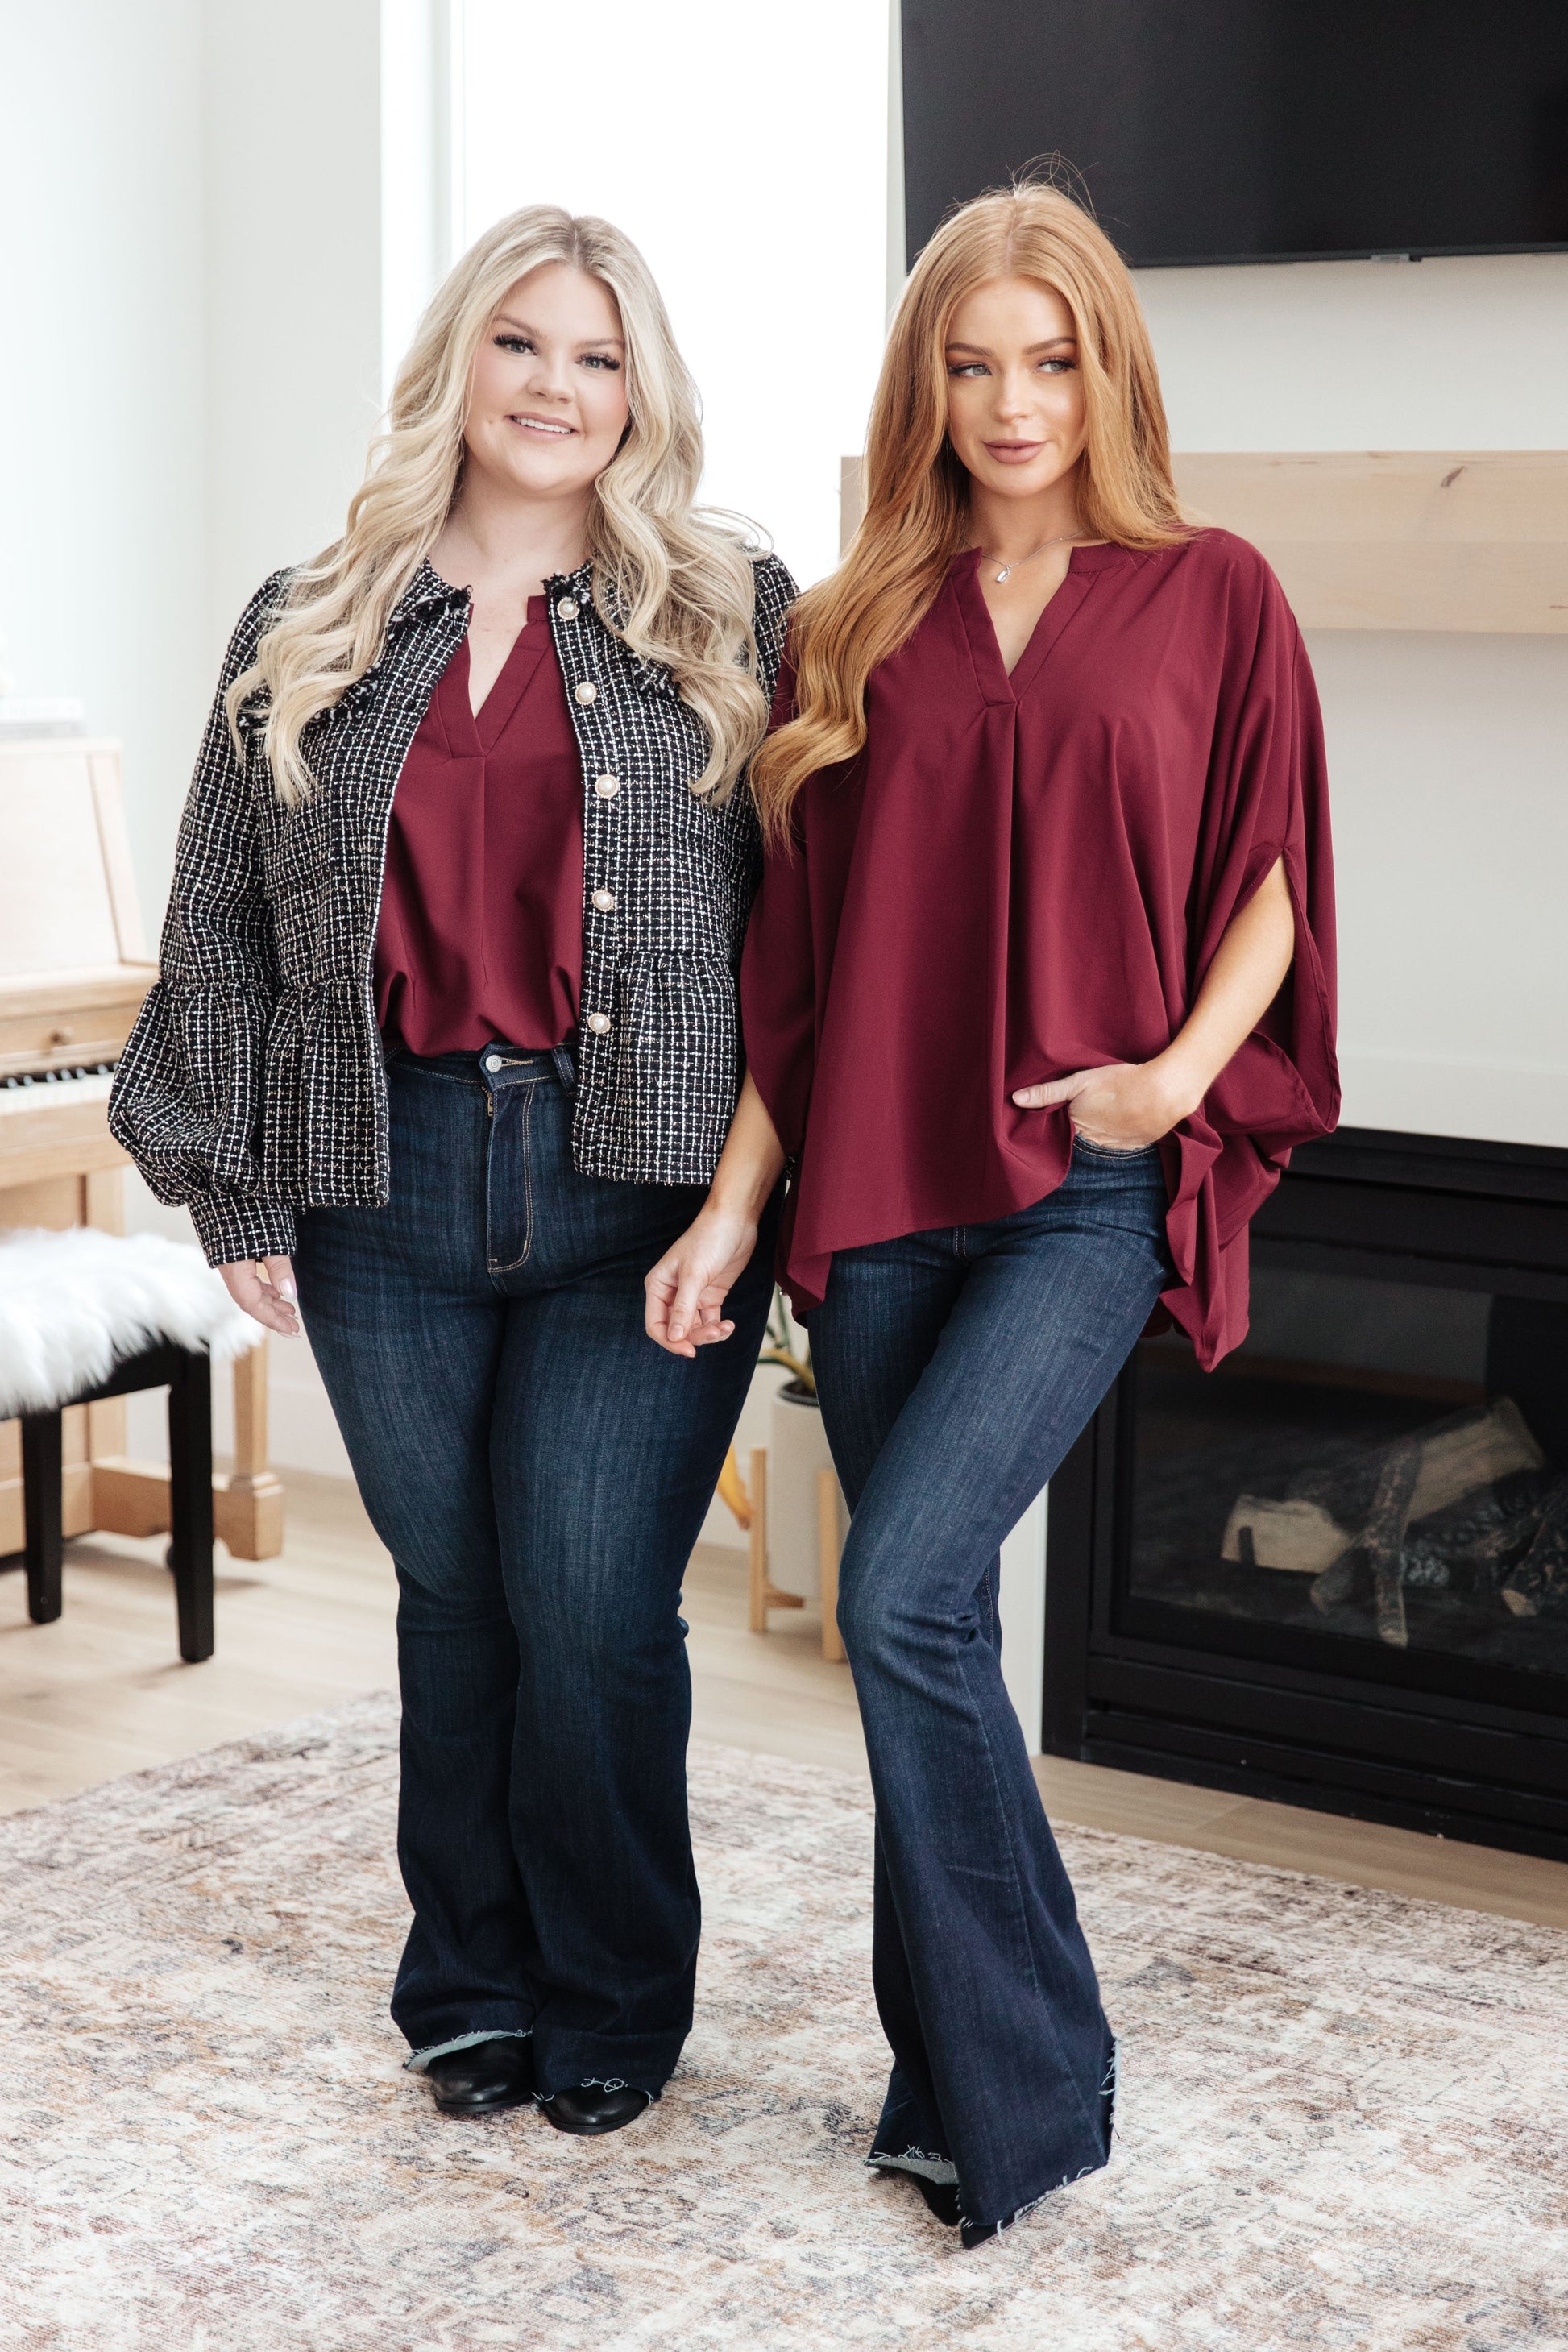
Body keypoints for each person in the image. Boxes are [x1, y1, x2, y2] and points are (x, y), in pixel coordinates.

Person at [645, 180, 1337, 2242]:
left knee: (897, 1597)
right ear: (924, 385)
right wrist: (732, 1209)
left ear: (1107, 369)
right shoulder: (849, 622)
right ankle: (943, 2076)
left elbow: (1272, 874)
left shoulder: (1214, 592)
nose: (1014, 401)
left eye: (1050, 360)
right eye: (972, 364)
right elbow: (796, 961)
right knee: (928, 1636)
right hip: (878, 1185)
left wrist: (1173, 1081)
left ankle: (1037, 2073)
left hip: (1081, 1191)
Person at [111, 206, 794, 2136]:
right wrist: (234, 1184)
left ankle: (615, 1987)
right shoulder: (311, 614)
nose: (554, 388)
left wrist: (751, 1200)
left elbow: (811, 925)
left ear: (639, 390)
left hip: (638, 1188)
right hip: (383, 1175)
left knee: (590, 1603)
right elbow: (221, 919)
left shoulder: (731, 612)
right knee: (455, 1595)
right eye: (521, 343)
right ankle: (472, 1978)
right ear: (458, 363)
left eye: (596, 356)